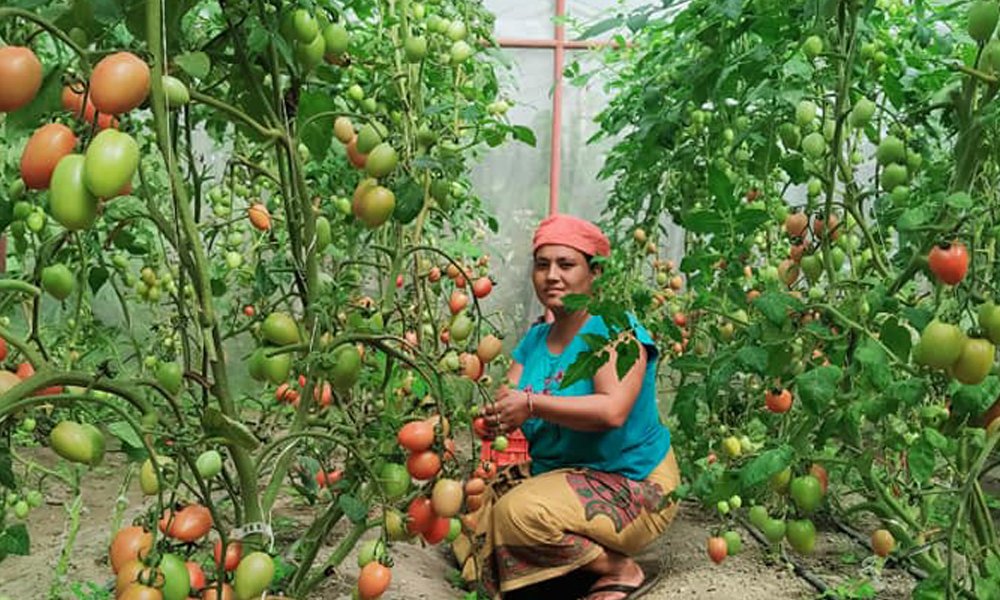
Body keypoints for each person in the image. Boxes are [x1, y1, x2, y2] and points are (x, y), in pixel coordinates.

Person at [453, 214, 679, 600]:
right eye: (543, 265)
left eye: (566, 264)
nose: (552, 275)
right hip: (560, 475)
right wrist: (494, 420)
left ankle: (617, 567)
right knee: (468, 508)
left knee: (518, 514)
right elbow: (509, 400)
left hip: (632, 481)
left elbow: (612, 411)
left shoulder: (615, 329)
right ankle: (568, 570)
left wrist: (531, 404)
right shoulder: (536, 339)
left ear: (595, 274)